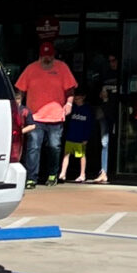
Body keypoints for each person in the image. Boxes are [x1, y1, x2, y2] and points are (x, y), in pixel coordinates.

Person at [14, 40, 79, 186]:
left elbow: (70, 89)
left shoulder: (62, 68)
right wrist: (19, 107)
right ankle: (31, 178)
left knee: (54, 147)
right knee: (33, 147)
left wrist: (68, 103)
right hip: (35, 116)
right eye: (44, 56)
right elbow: (20, 90)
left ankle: (52, 174)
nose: (47, 59)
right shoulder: (31, 69)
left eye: (49, 56)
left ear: (53, 55)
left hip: (55, 116)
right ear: (40, 55)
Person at [60, 90, 97, 184]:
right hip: (71, 135)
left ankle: (82, 174)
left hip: (81, 136)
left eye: (78, 98)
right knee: (66, 154)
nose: (76, 100)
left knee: (81, 155)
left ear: (83, 97)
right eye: (75, 99)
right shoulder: (73, 108)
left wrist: (86, 137)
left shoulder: (87, 110)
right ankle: (63, 173)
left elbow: (89, 125)